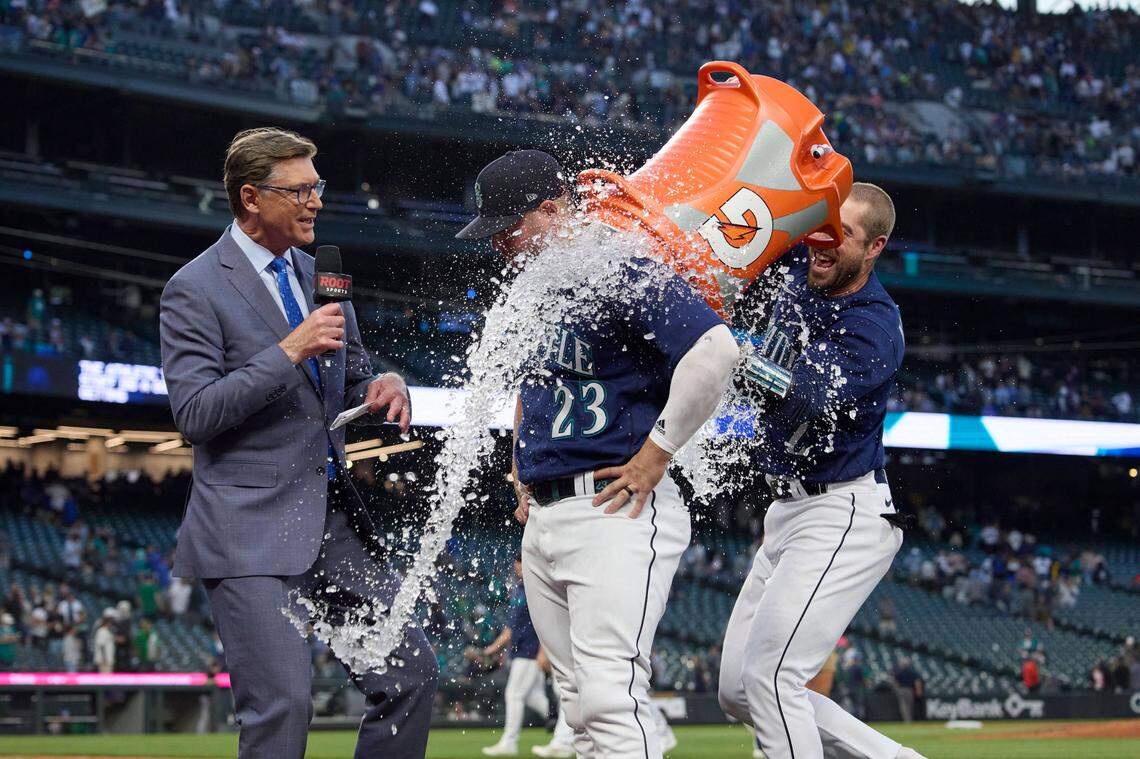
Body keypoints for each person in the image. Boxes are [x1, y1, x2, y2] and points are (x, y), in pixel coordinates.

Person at [159, 127, 438, 758]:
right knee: (282, 707)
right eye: (301, 189)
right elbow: (197, 414)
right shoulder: (195, 288)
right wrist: (288, 350)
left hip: (331, 524)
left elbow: (349, 370)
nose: (316, 201)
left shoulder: (321, 276)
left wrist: (381, 380)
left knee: (410, 673)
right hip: (248, 531)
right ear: (252, 197)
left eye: (319, 187)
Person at [458, 150, 739, 759]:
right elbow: (533, 385)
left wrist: (657, 453)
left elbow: (716, 352)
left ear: (554, 210)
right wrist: (519, 464)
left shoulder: (621, 269)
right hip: (550, 515)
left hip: (615, 507)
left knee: (611, 700)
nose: (502, 244)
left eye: (511, 226)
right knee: (581, 706)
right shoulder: (544, 290)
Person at [718, 183, 926, 759]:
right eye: (821, 229)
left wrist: (731, 353)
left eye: (842, 236)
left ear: (876, 247)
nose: (822, 243)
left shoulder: (875, 324)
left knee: (770, 680)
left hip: (843, 509)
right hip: (788, 509)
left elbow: (810, 396)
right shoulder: (798, 278)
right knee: (738, 688)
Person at [480, 556, 549, 756]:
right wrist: (494, 647)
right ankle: (570, 725)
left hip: (530, 651)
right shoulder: (520, 589)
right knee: (533, 698)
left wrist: (543, 651)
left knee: (514, 694)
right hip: (520, 650)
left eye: (520, 565)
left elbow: (544, 622)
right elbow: (511, 628)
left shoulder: (537, 589)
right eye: (516, 566)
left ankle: (509, 742)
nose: (517, 569)